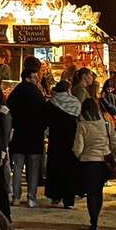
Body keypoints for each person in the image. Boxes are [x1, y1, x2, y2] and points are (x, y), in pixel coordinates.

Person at [7, 67, 46, 208]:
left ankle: (16, 197)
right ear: (28, 78)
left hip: (19, 135)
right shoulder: (37, 93)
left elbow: (9, 109)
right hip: (35, 136)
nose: (37, 80)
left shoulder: (16, 92)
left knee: (17, 168)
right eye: (35, 77)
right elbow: (44, 112)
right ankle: (31, 197)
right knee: (33, 169)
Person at [73, 97, 110, 230]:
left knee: (91, 194)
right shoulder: (103, 123)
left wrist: (77, 155)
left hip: (88, 162)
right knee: (98, 192)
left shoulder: (82, 125)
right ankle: (96, 219)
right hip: (102, 161)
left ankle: (93, 222)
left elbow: (79, 147)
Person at [44, 81, 80, 209]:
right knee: (69, 170)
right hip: (71, 140)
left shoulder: (52, 103)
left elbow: (46, 121)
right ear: (68, 89)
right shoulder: (75, 103)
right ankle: (69, 200)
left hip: (56, 140)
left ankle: (55, 196)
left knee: (55, 168)